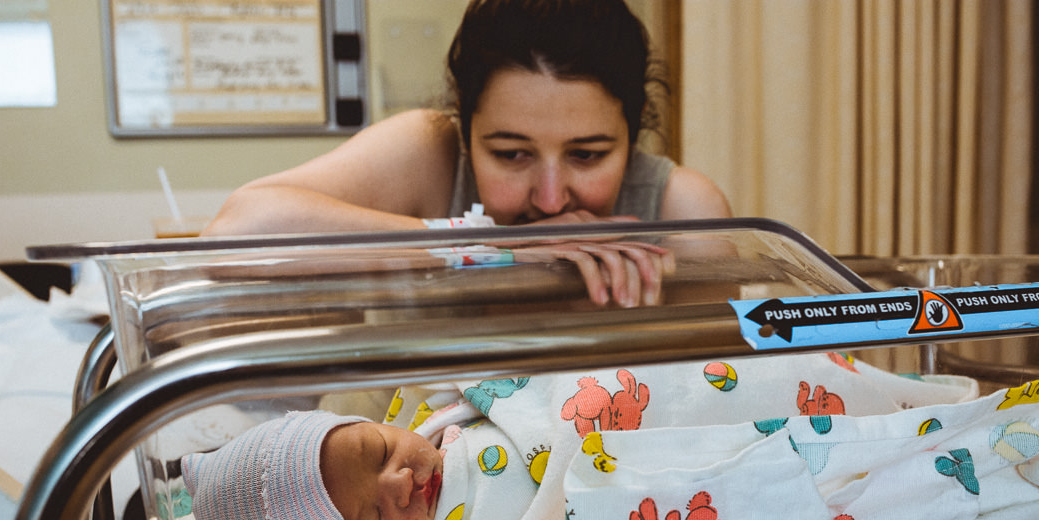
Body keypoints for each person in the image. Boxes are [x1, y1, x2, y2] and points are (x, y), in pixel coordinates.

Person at [180, 351, 987, 520]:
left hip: (656, 388)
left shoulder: (428, 417)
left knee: (802, 379)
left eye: (371, 451)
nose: (397, 481)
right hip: (631, 449)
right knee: (802, 433)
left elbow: (520, 376)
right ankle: (951, 421)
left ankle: (929, 392)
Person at [201, 0, 731, 308]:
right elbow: (232, 238)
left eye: (587, 156)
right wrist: (487, 245)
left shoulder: (680, 206)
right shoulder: (429, 150)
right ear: (466, 126)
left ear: (633, 135)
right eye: (511, 155)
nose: (550, 201)